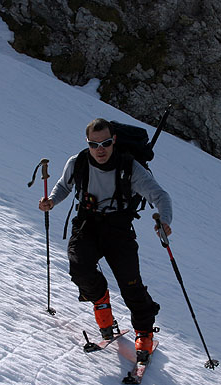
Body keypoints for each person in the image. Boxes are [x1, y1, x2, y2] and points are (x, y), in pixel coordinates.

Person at [39, 118, 173, 363]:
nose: (100, 149)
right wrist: (51, 201)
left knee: (130, 283)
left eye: (106, 143)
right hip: (87, 223)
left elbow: (160, 196)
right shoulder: (77, 162)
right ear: (87, 143)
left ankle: (144, 332)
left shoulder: (129, 167)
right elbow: (64, 186)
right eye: (94, 144)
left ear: (115, 141)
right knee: (79, 268)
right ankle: (102, 307)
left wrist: (164, 221)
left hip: (118, 228)